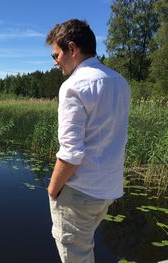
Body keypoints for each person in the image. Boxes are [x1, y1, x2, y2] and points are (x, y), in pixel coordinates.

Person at [45, 19, 130, 263]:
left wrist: (52, 191)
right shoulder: (120, 82)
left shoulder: (73, 86)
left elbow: (71, 153)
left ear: (72, 48)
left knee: (75, 256)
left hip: (79, 192)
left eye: (56, 54)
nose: (55, 62)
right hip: (107, 190)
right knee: (85, 248)